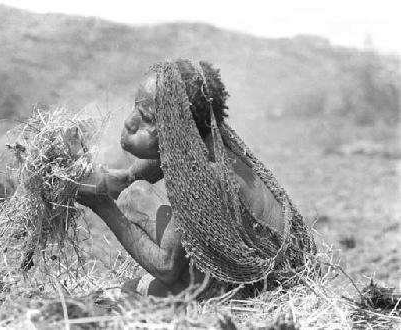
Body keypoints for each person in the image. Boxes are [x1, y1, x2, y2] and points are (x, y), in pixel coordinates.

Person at [77, 59, 315, 298]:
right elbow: (131, 177)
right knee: (136, 194)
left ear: (175, 127)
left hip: (264, 289)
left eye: (146, 117)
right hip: (274, 272)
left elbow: (166, 267)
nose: (130, 121)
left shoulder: (202, 175)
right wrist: (91, 177)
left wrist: (102, 206)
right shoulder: (203, 139)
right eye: (135, 108)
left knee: (132, 293)